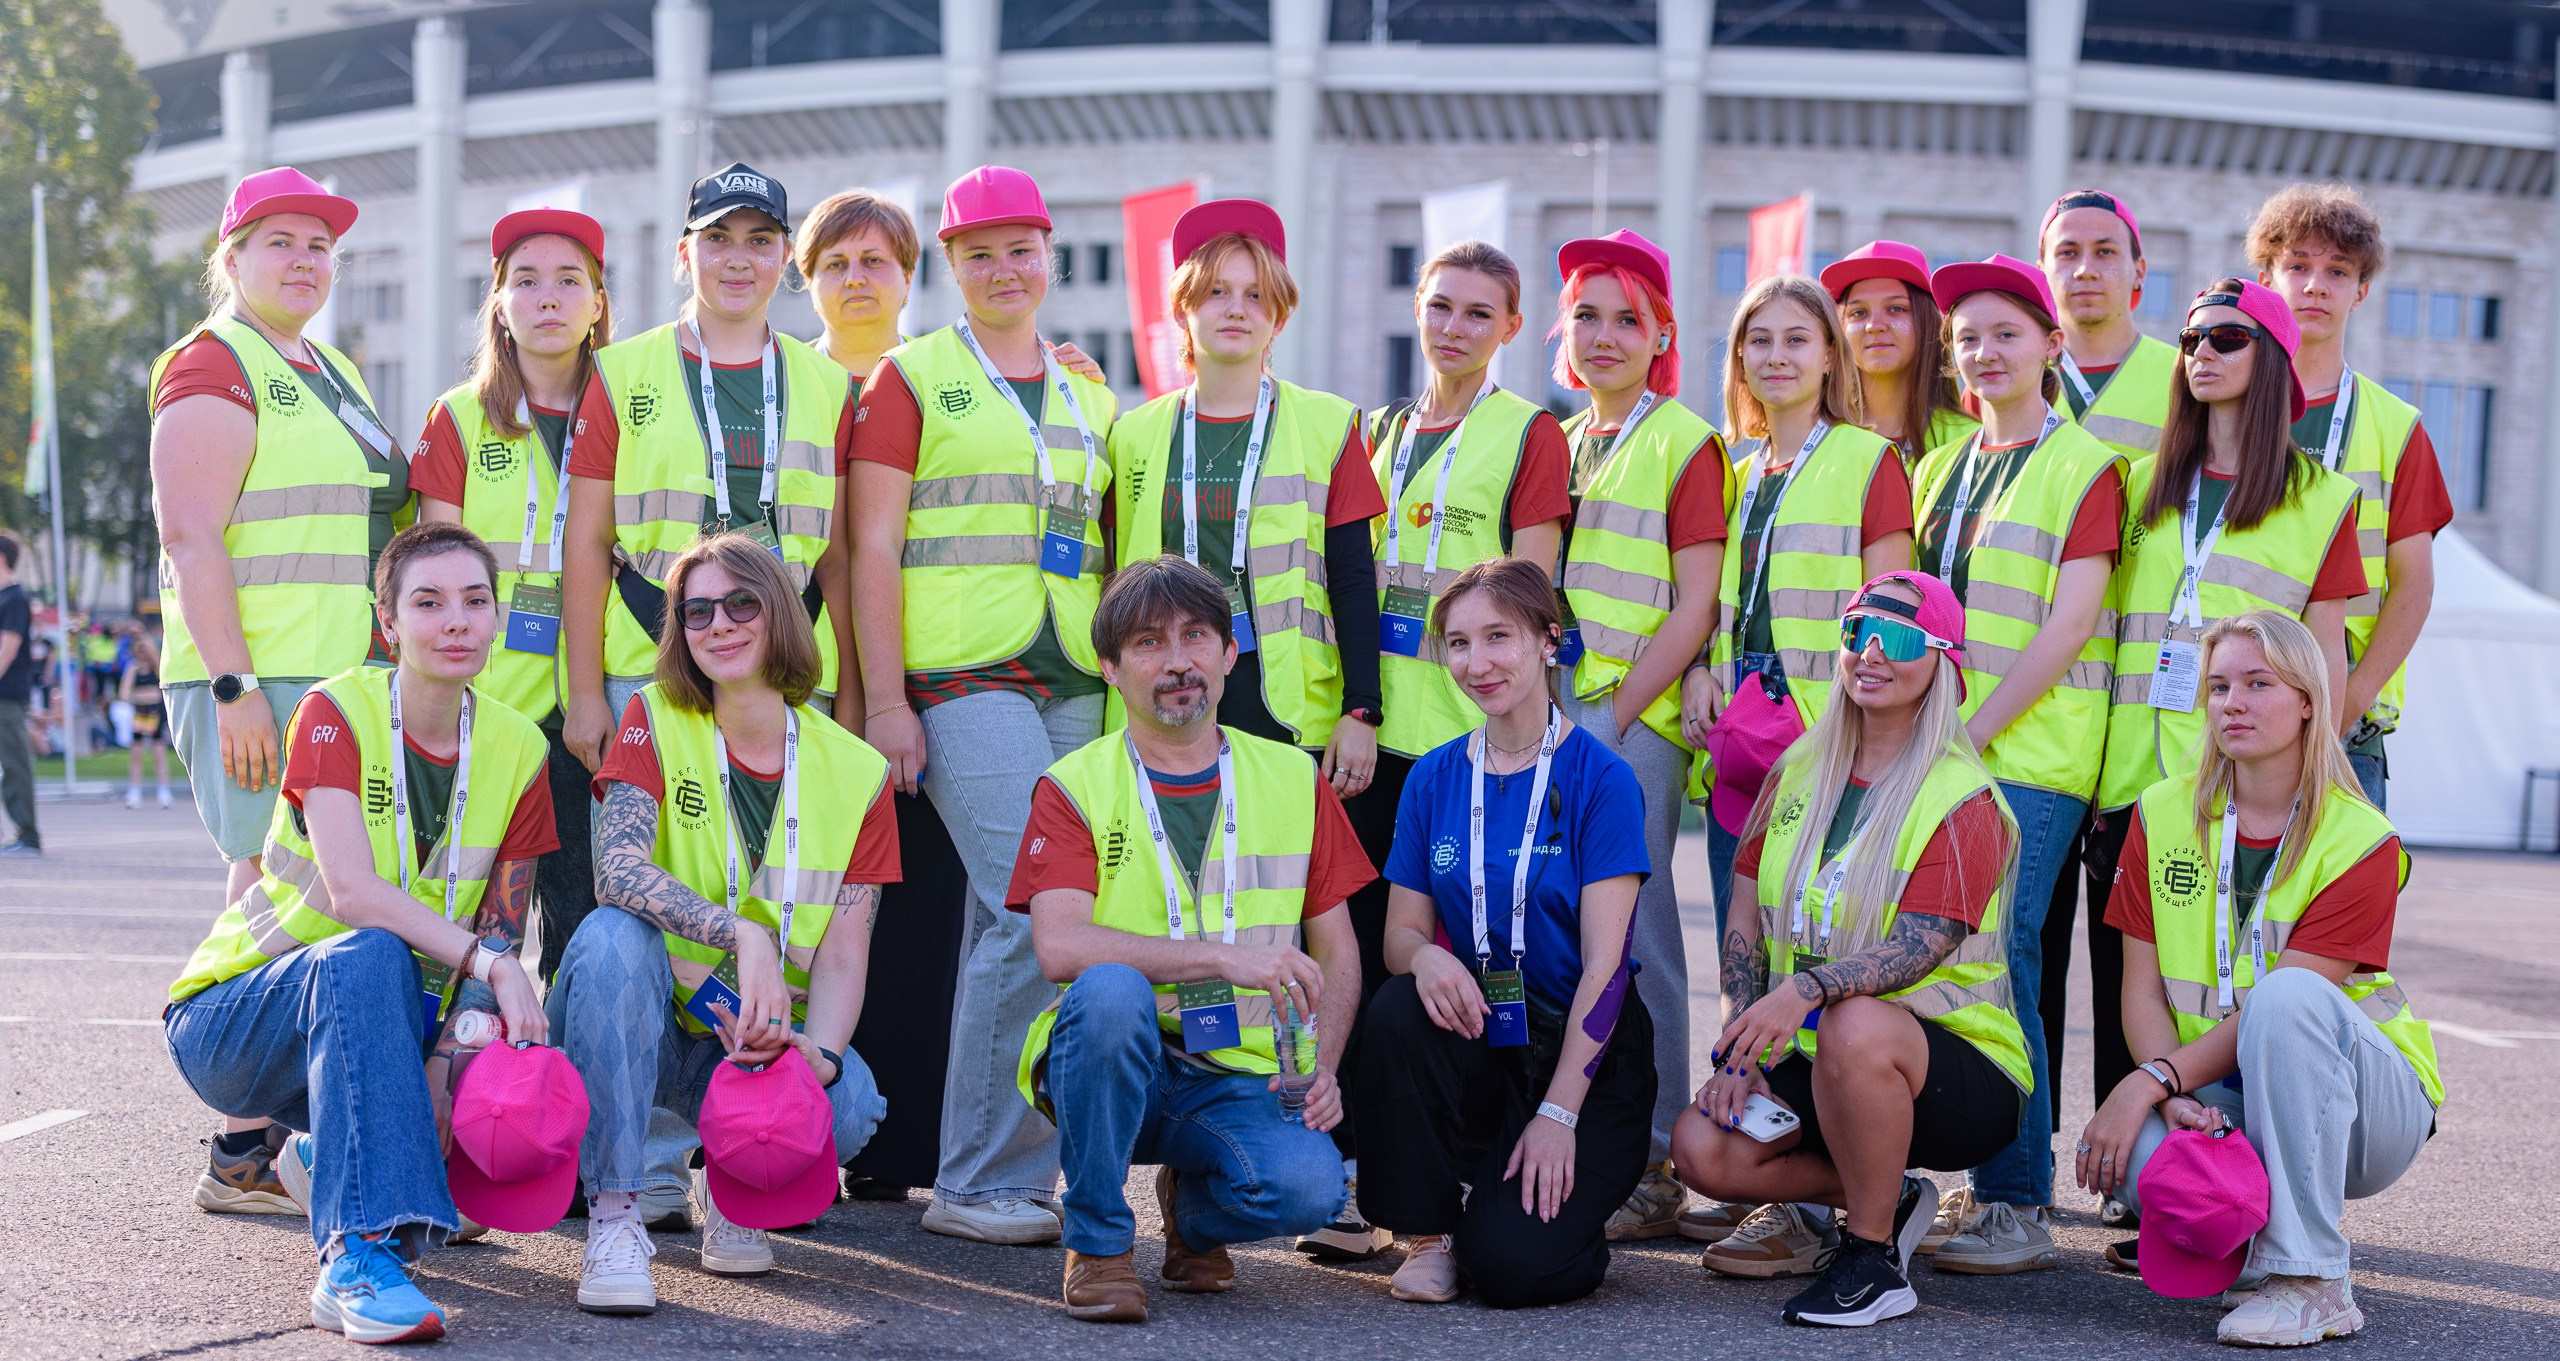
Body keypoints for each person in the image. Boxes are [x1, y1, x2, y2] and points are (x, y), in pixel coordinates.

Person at [163, 523, 560, 1344]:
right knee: (370, 950)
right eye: (429, 602)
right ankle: (354, 1255)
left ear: (495, 621)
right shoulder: (332, 711)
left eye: (475, 601)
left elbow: (501, 923)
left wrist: (451, 1064)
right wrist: (494, 962)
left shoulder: (521, 746)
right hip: (236, 1019)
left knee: (482, 1133)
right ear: (388, 624)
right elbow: (349, 892)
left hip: (380, 1023)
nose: (456, 620)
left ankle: (330, 1156)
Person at [848, 164, 1120, 1247]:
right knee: (1028, 902)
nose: (1004, 270)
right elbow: (870, 545)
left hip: (1074, 674)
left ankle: (1017, 1167)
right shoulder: (909, 379)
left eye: (1021, 249)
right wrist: (883, 701)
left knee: (1059, 912)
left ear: (1049, 254)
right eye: (978, 254)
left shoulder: (1089, 389)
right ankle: (977, 1176)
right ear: (948, 269)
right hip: (961, 674)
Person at [1007, 556, 1370, 1323]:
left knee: (1313, 1188)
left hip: (1238, 1072)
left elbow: (1338, 950)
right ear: (1109, 668)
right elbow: (1060, 947)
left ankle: (1192, 1214)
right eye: (1146, 643)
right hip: (1114, 1063)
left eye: (1196, 636)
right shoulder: (1073, 783)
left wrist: (1325, 1065)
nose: (1177, 662)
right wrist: (1222, 957)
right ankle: (1100, 1242)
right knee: (1107, 990)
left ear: (1230, 653)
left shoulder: (1291, 776)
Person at [150, 168, 410, 1212]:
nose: (305, 260)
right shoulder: (214, 360)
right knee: (267, 886)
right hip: (254, 677)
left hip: (329, 676)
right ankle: (245, 1150)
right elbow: (189, 534)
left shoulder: (329, 366)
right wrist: (233, 685)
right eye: (280, 242)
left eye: (320, 245)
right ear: (233, 256)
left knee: (288, 886)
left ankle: (260, 1144)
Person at [1675, 571, 2028, 1329]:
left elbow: (1918, 948)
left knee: (1854, 1018)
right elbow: (1746, 914)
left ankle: (1872, 1258)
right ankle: (1889, 1196)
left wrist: (1802, 993)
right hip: (1827, 1054)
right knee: (1701, 1147)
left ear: (1943, 660)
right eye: (1856, 633)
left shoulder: (1962, 796)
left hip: (1960, 1068)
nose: (1871, 652)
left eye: (1897, 639)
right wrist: (1744, 1051)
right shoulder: (1799, 769)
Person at [557, 531, 897, 1314]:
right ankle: (615, 1214)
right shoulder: (651, 716)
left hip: (753, 1042)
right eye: (697, 609)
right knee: (611, 935)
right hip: (644, 1022)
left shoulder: (857, 771)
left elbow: (846, 954)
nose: (720, 624)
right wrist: (741, 931)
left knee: (849, 1103)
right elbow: (617, 872)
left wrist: (823, 1054)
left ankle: (741, 1191)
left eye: (742, 602)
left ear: (779, 613)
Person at [2084, 609, 2440, 1348]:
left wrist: (2147, 1080)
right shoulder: (2160, 811)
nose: (2232, 703)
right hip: (2216, 1091)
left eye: (2257, 683)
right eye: (2217, 687)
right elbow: (2142, 989)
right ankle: (2254, 1247)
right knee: (2131, 1165)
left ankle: (2312, 1278)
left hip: (2367, 1108)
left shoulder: (2359, 837)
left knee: (2285, 996)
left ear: (2309, 698)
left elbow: (2287, 1008)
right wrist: (2172, 1094)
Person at [2083, 279, 2364, 1197]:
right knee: (2130, 985)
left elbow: (2323, 665)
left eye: (2227, 338)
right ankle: (2145, 1181)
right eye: (2192, 337)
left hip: (2251, 788)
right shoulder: (2138, 486)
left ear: (2273, 359)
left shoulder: (2323, 500)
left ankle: (2251, 1179)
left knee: (2252, 979)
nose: (2200, 351)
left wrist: (2327, 783)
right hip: (2132, 776)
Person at [1334, 238, 1572, 1259]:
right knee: (1355, 946)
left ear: (1511, 329)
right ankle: (1358, 1174)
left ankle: (1458, 1168)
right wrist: (1352, 706)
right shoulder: (1378, 429)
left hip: (1462, 744)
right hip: (1372, 732)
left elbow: (1527, 599)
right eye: (1440, 306)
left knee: (1453, 957)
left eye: (1479, 313)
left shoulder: (1529, 435)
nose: (1455, 327)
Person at [1355, 557, 1653, 1307]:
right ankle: (1430, 1231)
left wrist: (1559, 1113)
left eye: (1498, 637)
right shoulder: (1432, 777)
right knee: (1398, 1006)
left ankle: (1531, 1212)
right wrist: (1425, 959)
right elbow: (1400, 934)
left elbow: (1607, 970)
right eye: (1458, 643)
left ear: (1549, 641)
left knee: (1516, 1269)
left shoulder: (1602, 777)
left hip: (1586, 1051)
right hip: (1488, 1030)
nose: (1476, 662)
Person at [1907, 256, 2126, 1272]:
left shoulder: (2086, 464)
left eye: (2004, 332)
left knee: (2009, 960)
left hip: (2029, 755)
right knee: (1955, 962)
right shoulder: (1940, 466)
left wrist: (1970, 727)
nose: (1984, 351)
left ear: (2048, 344)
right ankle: (1988, 1175)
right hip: (1946, 749)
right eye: (1966, 338)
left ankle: (2014, 1202)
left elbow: (2071, 621)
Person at [1541, 230, 1728, 1240]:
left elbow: (1694, 603)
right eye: (1585, 314)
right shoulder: (1568, 439)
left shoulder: (1681, 439)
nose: (1603, 334)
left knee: (1642, 939)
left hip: (1627, 722)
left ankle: (1656, 1157)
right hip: (1564, 717)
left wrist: (1608, 720)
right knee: (1573, 935)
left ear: (1660, 333)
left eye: (1626, 316)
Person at [414, 207, 614, 980]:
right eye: (525, 282)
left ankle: (561, 1087)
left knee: (580, 915)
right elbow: (434, 571)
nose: (549, 299)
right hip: (487, 707)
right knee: (466, 917)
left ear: (598, 303)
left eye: (570, 281)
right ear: (498, 303)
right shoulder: (460, 417)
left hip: (588, 712)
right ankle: (458, 1074)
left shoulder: (633, 411)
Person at [1694, 275, 1913, 926]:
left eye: (1796, 339)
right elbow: (1722, 607)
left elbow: (1892, 620)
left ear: (1828, 355)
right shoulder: (1738, 475)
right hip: (1741, 736)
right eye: (1758, 341)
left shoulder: (1871, 459)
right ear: (1740, 360)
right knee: (1739, 935)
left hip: (1832, 738)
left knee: (1815, 939)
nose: (1776, 356)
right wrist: (1700, 670)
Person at [2245, 184, 2455, 809]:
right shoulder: (2217, 406)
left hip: (2344, 729)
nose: (2315, 286)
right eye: (2299, 267)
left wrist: (2349, 701)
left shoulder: (2397, 427)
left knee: (2333, 905)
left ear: (2361, 292)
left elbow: (2412, 583)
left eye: (2337, 271)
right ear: (2265, 278)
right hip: (2222, 710)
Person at [2038, 188, 2180, 459]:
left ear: (2139, 271)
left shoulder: (2186, 379)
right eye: (2068, 253)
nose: (2085, 271)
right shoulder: (2006, 372)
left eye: (2105, 251)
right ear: (2041, 271)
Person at [1821, 241, 1976, 467]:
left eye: (1896, 308)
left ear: (1929, 321)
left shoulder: (1971, 441)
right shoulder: (1815, 439)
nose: (1874, 325)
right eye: (1858, 313)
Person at [0, 534, 35, 854]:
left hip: (6, 697)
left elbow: (7, 650)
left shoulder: (14, 599)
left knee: (14, 765)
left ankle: (28, 835)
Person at [122, 627, 175, 810]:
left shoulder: (157, 667)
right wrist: (139, 697)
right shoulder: (133, 668)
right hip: (140, 713)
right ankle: (134, 791)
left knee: (158, 753)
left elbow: (164, 687)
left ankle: (164, 792)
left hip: (155, 713)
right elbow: (124, 692)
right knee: (136, 754)